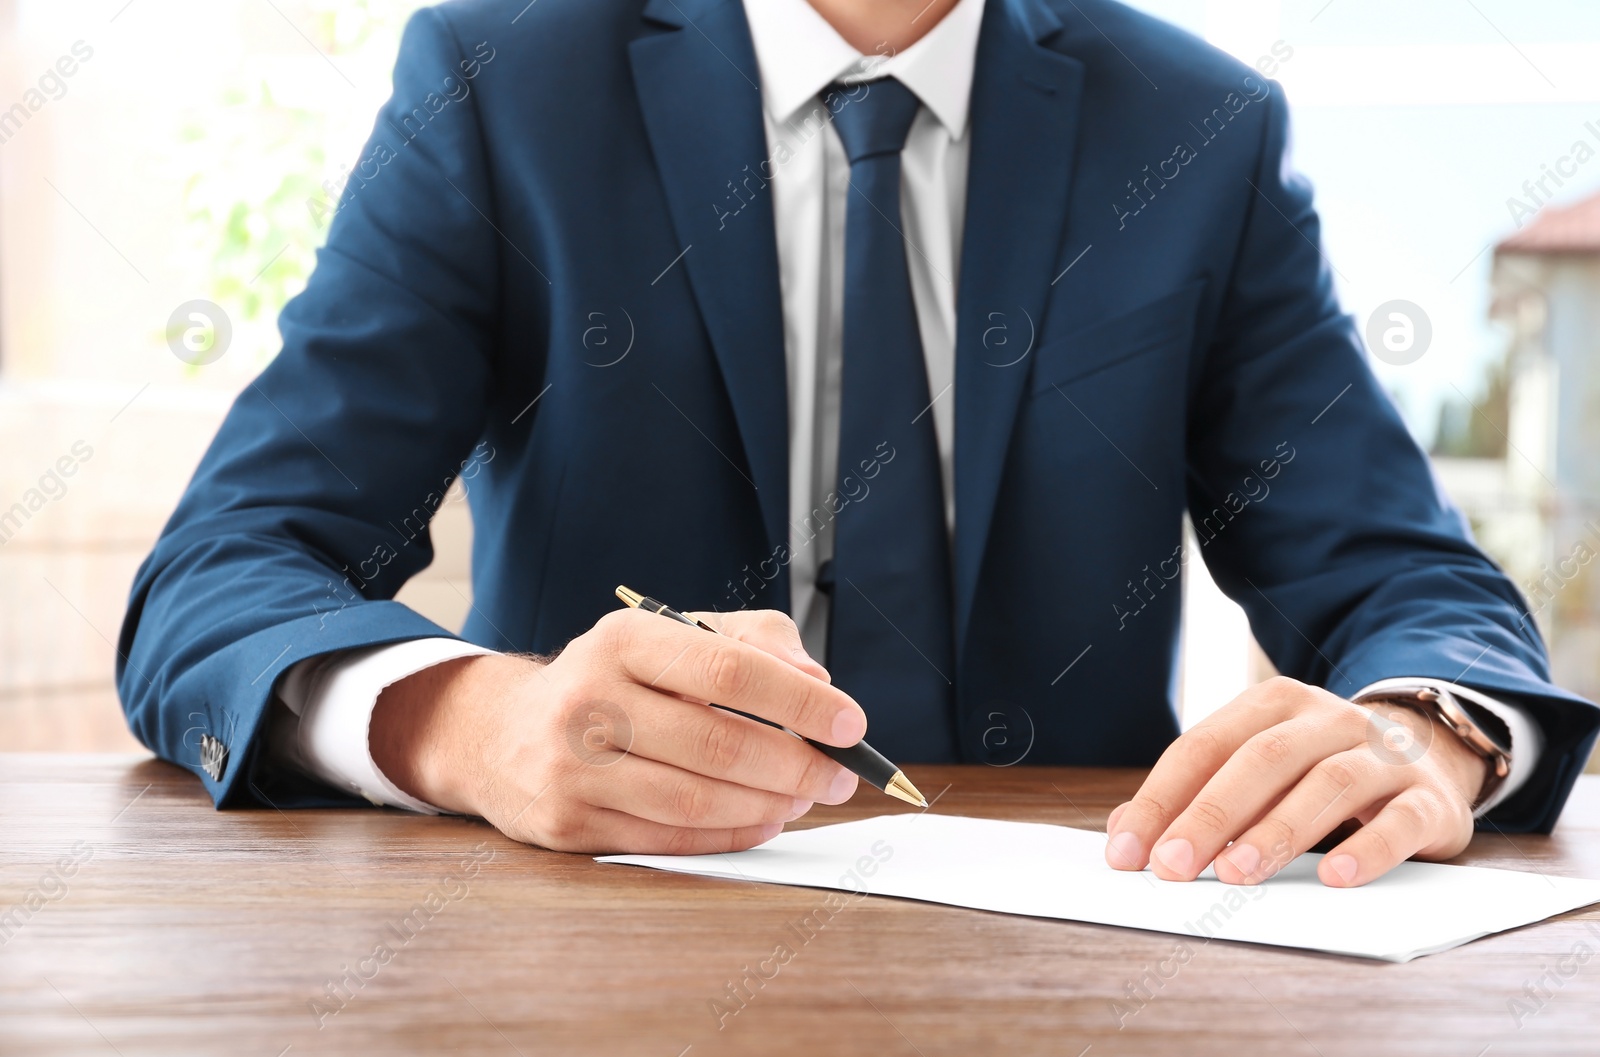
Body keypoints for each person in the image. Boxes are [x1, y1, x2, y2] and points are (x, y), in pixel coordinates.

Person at [118, 0, 1599, 888]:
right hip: (595, 940)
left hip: (1081, 943)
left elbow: (1401, 576)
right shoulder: (503, 77)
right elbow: (225, 573)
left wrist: (1423, 733)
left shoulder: (1202, 131)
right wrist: (473, 729)